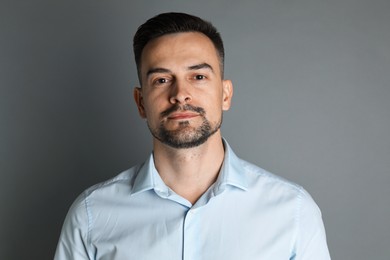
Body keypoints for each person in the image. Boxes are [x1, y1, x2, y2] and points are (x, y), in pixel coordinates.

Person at [54, 12, 331, 260]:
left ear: (225, 94)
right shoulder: (91, 217)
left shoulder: (292, 212)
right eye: (161, 80)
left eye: (198, 77)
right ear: (140, 102)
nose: (180, 94)